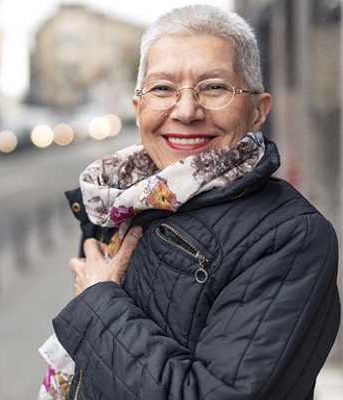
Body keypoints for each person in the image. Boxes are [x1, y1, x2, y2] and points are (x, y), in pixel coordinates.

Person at [46, 4, 340, 399]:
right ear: (139, 108)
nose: (185, 111)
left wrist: (98, 302)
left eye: (215, 87)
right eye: (163, 88)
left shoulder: (291, 237)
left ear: (258, 111)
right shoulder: (120, 201)